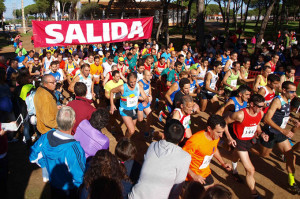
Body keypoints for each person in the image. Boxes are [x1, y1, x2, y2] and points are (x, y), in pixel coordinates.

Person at [29, 106, 86, 199]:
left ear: (57, 120)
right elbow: (79, 177)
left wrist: (47, 164)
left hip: (53, 184)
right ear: (74, 122)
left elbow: (33, 157)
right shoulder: (74, 148)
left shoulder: (46, 136)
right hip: (69, 190)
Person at [129, 119, 191, 199]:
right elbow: (176, 189)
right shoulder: (185, 157)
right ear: (182, 138)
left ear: (163, 135)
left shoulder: (153, 145)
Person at [259, 81, 300, 194]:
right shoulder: (277, 101)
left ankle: (292, 182)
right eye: (292, 91)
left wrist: (292, 120)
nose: (294, 94)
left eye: (295, 91)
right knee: (264, 155)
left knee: (291, 157)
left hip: (281, 134)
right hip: (271, 132)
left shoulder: (288, 99)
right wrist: (283, 130)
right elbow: (267, 119)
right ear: (284, 91)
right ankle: (249, 146)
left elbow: (284, 114)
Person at [224, 94, 268, 198]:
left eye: (263, 106)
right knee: (250, 169)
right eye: (260, 106)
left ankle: (234, 170)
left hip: (250, 140)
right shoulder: (240, 115)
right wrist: (230, 138)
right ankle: (255, 195)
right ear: (252, 104)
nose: (262, 109)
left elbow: (257, 124)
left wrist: (261, 133)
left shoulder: (260, 113)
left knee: (234, 156)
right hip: (240, 141)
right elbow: (224, 122)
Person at [183, 115, 231, 189]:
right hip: (191, 176)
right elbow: (181, 160)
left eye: (222, 132)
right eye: (218, 132)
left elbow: (213, 149)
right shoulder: (195, 141)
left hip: (205, 172)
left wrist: (223, 163)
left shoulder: (215, 137)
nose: (221, 136)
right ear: (209, 128)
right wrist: (193, 175)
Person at [110, 72, 148, 137]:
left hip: (134, 110)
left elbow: (145, 97)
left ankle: (126, 140)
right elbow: (112, 91)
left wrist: (145, 102)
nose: (133, 84)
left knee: (130, 130)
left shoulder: (139, 87)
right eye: (131, 82)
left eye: (134, 81)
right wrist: (112, 105)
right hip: (124, 110)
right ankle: (125, 142)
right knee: (132, 130)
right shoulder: (122, 87)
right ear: (127, 80)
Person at [137, 70, 153, 136]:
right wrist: (146, 99)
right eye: (148, 75)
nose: (150, 77)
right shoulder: (140, 83)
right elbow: (137, 96)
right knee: (140, 120)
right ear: (143, 76)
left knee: (150, 116)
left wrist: (150, 96)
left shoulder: (149, 82)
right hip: (140, 103)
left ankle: (146, 132)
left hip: (146, 102)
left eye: (150, 75)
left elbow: (149, 91)